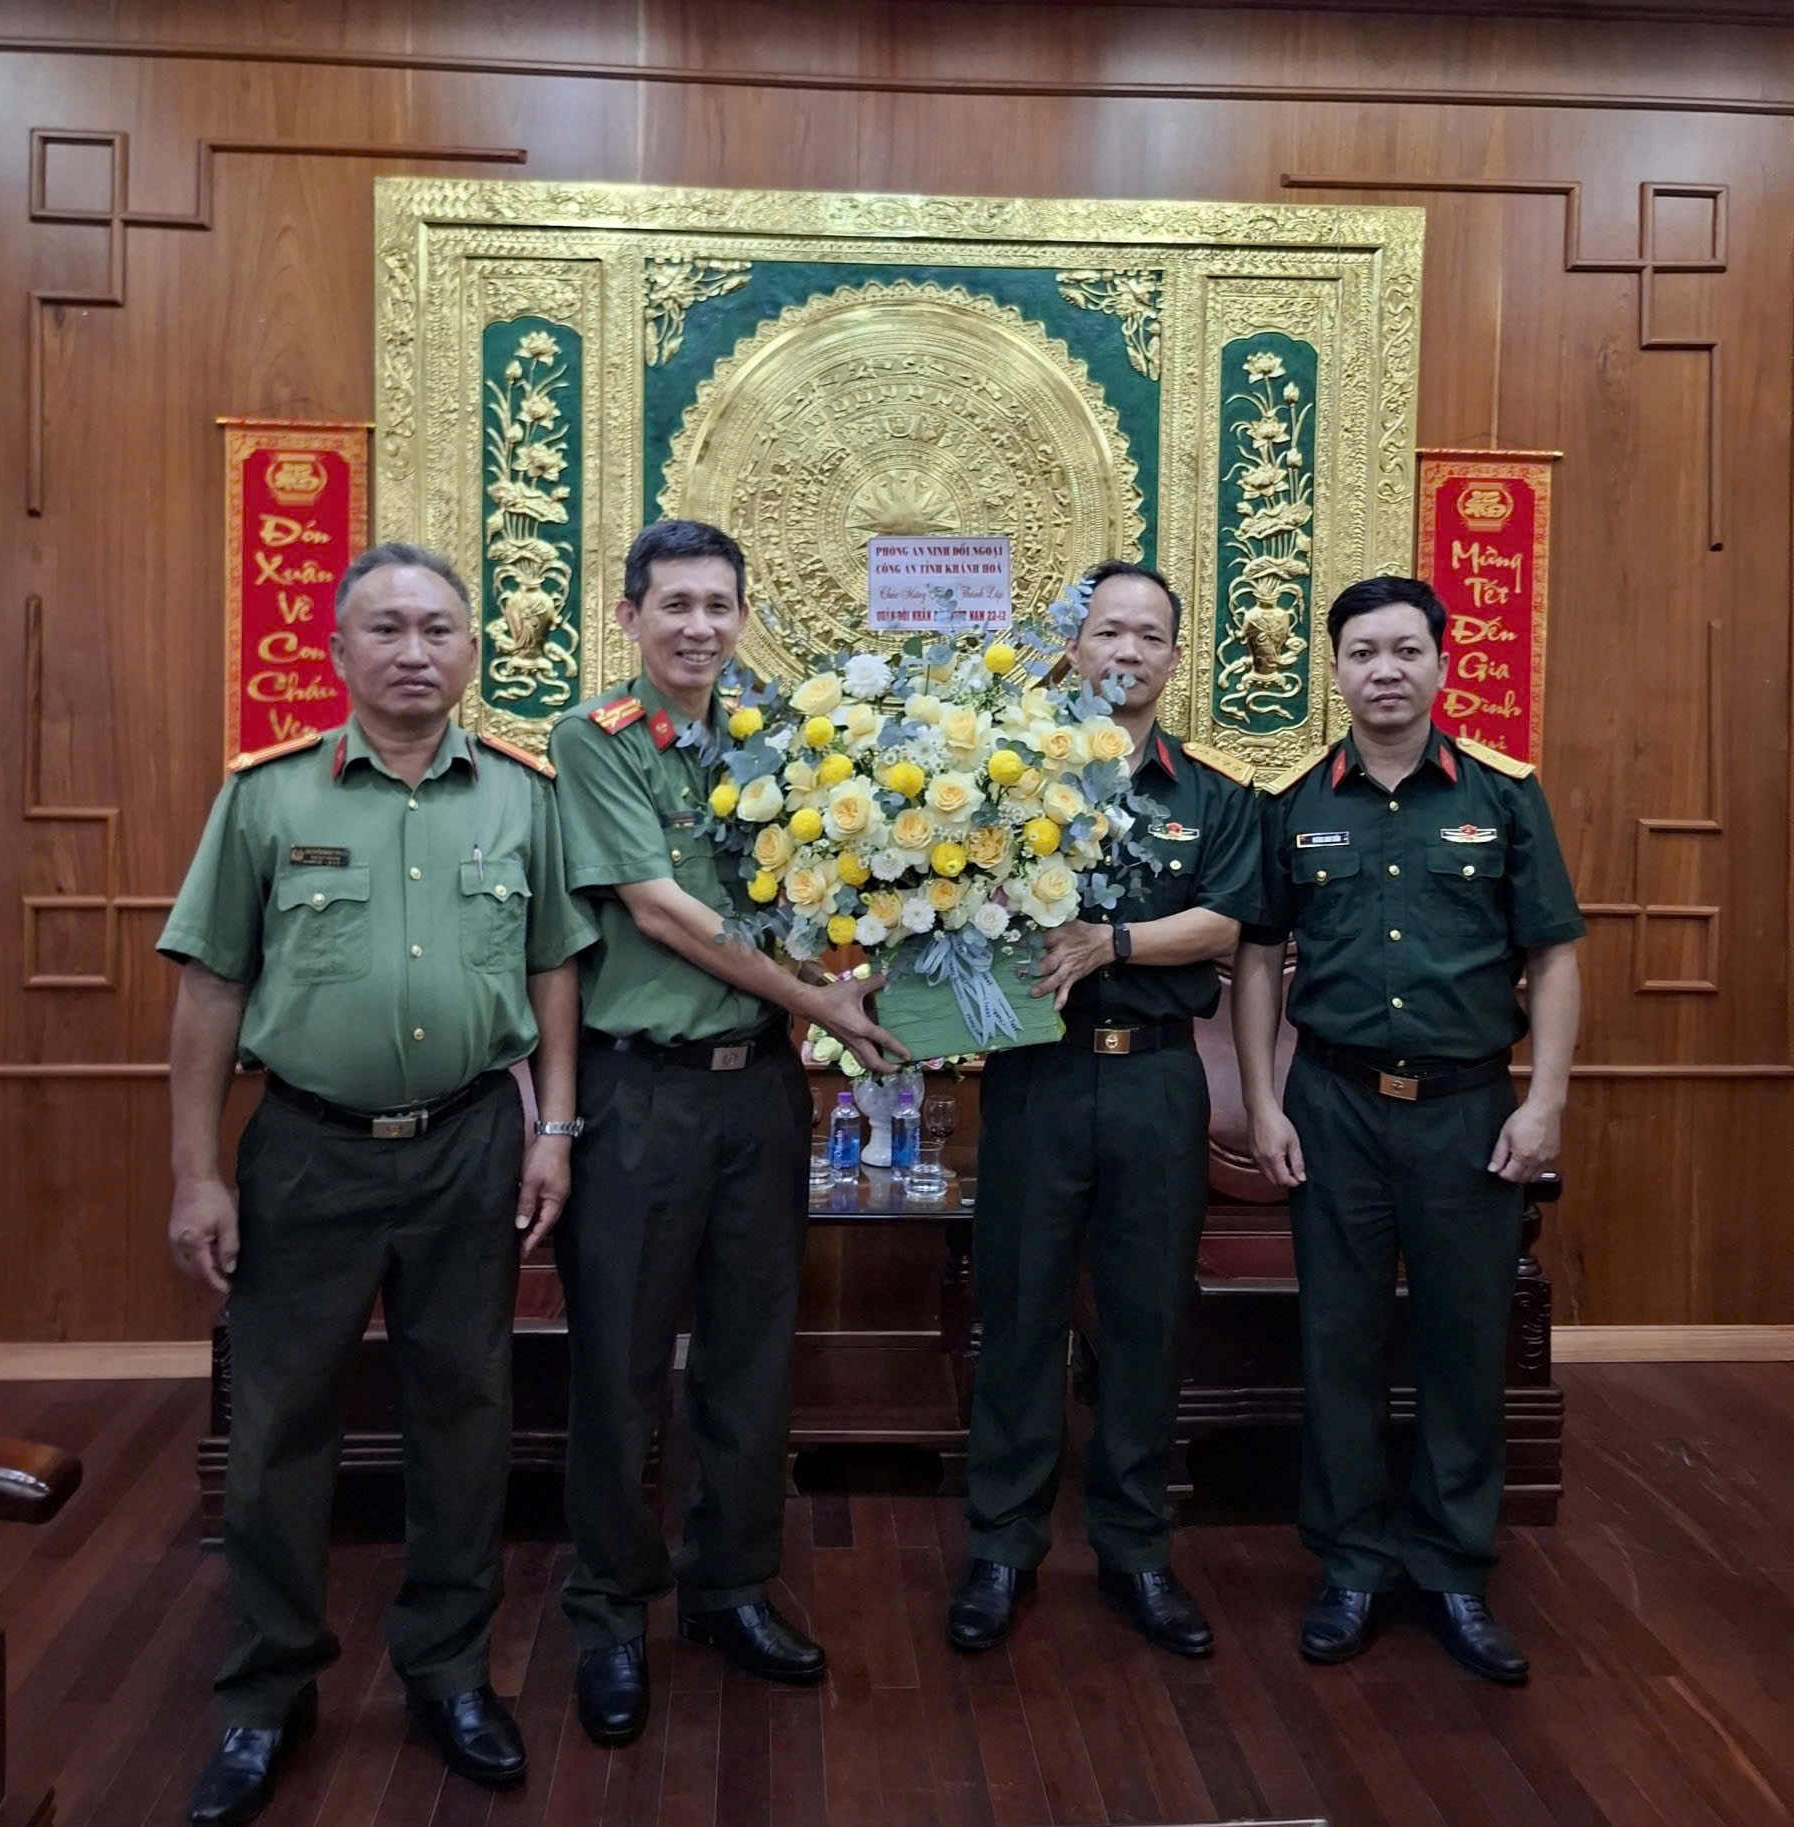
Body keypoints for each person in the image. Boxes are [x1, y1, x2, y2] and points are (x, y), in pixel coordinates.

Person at [160, 542, 594, 1824]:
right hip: (305, 1150)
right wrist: (195, 1174)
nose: (416, 650)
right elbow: (209, 990)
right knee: (281, 1427)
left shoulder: (524, 797)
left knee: (462, 1417)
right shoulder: (268, 799)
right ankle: (264, 1693)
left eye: (440, 629)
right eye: (388, 629)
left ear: (474, 652)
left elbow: (555, 970)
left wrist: (554, 1127)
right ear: (337, 652)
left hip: (471, 1143)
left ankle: (450, 1670)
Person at [548, 518, 907, 1747]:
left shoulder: (779, 740)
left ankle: (729, 1589)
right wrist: (827, 1007)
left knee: (754, 1358)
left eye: (718, 605)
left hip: (758, 1088)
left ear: (741, 616)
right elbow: (660, 912)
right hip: (640, 1094)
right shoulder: (591, 743)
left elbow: (822, 890)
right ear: (631, 614)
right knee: (624, 1367)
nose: (698, 626)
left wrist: (867, 983)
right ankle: (607, 1613)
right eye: (675, 605)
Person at [1230, 574, 1584, 1685]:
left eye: (1405, 652)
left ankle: (1451, 1568)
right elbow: (1252, 959)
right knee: (1336, 1340)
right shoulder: (1294, 803)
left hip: (1470, 1111)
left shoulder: (1505, 794)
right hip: (1332, 1104)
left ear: (1442, 663)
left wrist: (1546, 1100)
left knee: (1463, 1341)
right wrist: (1261, 1100)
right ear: (1331, 671)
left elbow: (1556, 954)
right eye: (1362, 654)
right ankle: (1350, 1564)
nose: (1384, 672)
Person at [947, 561, 1263, 1658]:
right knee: (1021, 1315)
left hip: (1156, 1078)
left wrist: (1110, 942)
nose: (1126, 653)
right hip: (1037, 1071)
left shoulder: (1213, 796)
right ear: (1070, 651)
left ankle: (1135, 1552)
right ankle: (1001, 1546)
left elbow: (1227, 923)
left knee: (1143, 1321)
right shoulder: (1005, 779)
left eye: (1148, 637)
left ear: (1175, 658)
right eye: (1106, 634)